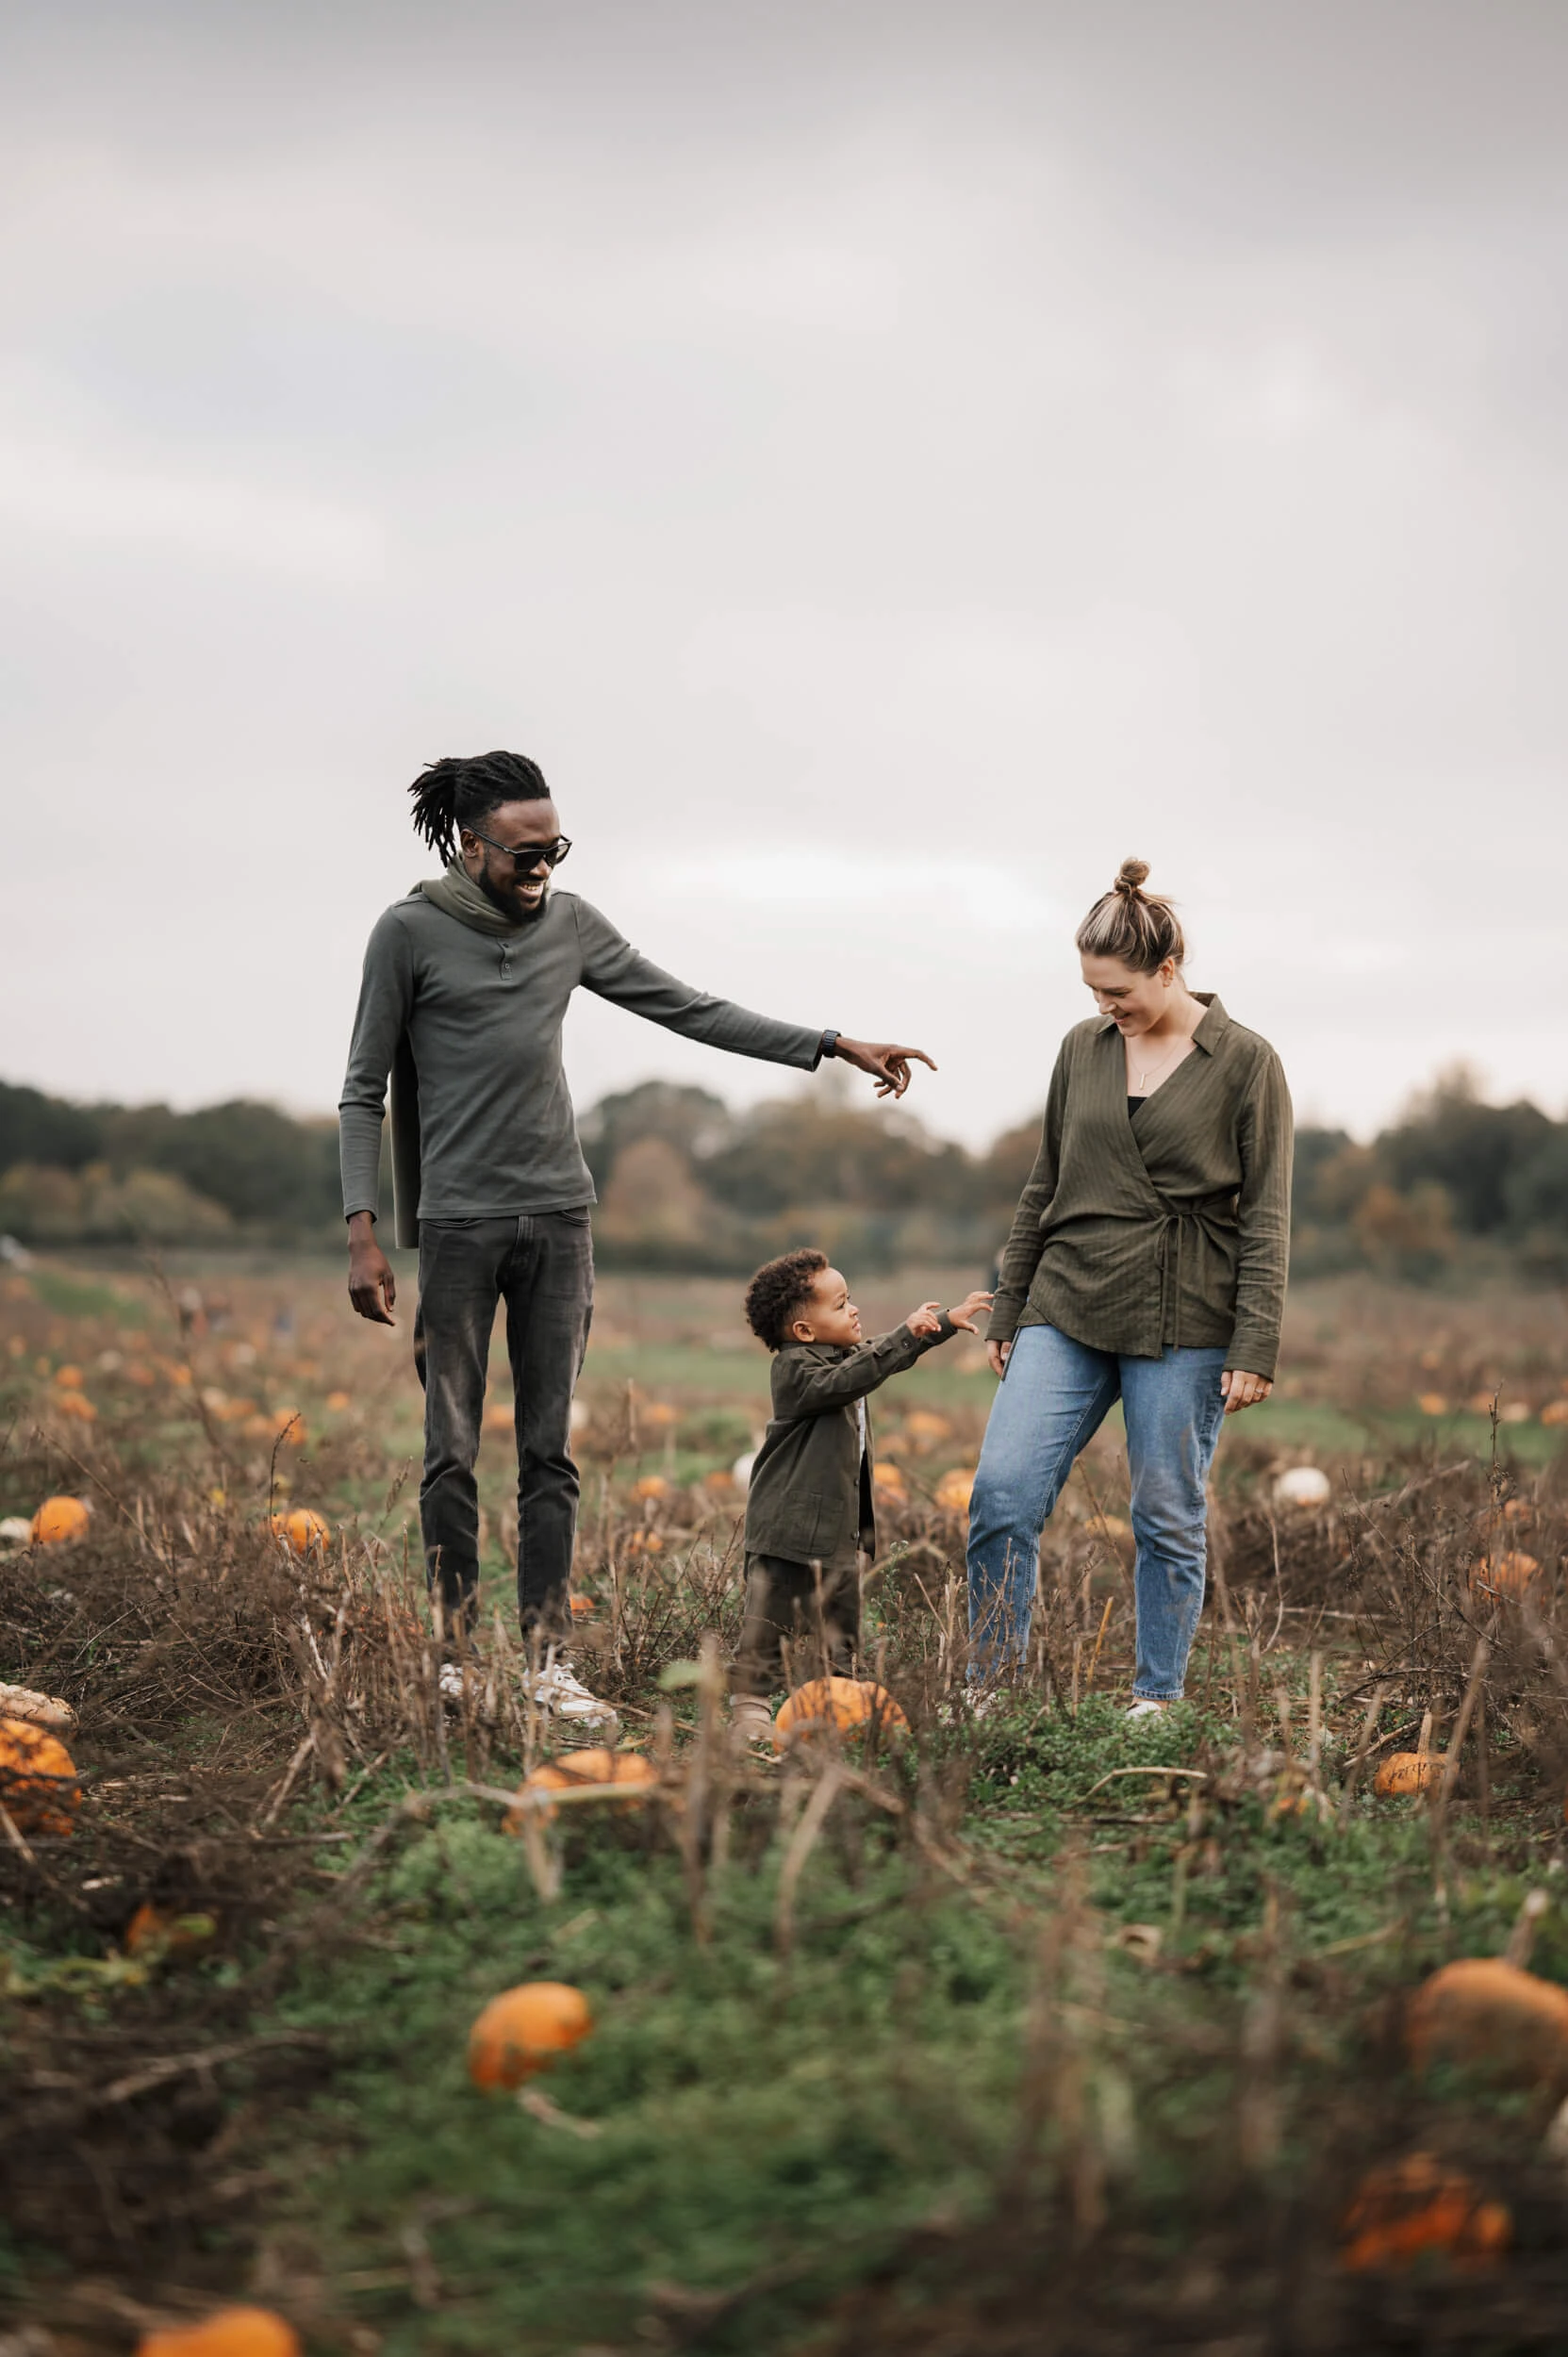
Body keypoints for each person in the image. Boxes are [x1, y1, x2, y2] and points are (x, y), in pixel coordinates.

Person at [338, 749, 935, 1728]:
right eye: (523, 853)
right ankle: (449, 1661)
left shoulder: (570, 926)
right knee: (448, 1449)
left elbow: (688, 1006)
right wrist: (362, 1232)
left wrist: (830, 1044)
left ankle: (547, 1665)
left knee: (549, 1454)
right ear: (466, 842)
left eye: (554, 850)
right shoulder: (406, 933)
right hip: (456, 1225)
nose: (542, 869)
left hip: (559, 1222)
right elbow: (363, 1088)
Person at [966, 859, 1291, 1718]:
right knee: (1001, 1494)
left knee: (1164, 1515)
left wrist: (1254, 1343)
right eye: (1091, 990)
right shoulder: (1081, 1048)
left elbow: (1265, 1216)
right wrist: (1010, 1302)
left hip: (1186, 1313)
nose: (1103, 1005)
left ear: (1167, 970)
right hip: (1067, 1299)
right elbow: (1045, 1182)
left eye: (1116, 990)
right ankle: (989, 1688)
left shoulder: (1246, 1062)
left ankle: (1155, 1697)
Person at [732, 1249, 992, 1743]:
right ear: (805, 1332)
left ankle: (837, 1706)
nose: (854, 1310)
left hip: (837, 1529)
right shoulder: (796, 1370)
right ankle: (750, 1707)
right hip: (786, 1528)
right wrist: (907, 1332)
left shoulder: (840, 1357)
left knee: (841, 1626)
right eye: (840, 1304)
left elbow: (874, 1358)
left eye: (851, 1299)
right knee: (768, 1621)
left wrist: (941, 1322)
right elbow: (856, 1375)